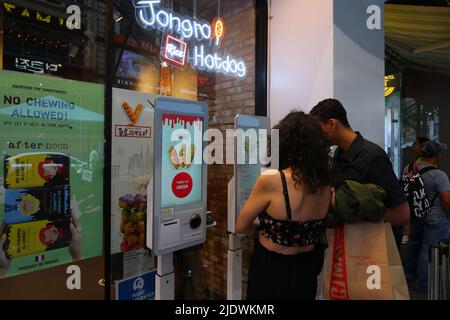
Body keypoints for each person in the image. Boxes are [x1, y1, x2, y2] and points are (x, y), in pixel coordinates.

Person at [235, 111, 331, 300]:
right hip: (307, 270)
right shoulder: (326, 187)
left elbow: (241, 226)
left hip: (272, 269)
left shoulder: (272, 180)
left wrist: (264, 230)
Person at [309, 99, 410, 233]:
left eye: (319, 130)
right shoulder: (338, 155)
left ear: (332, 124)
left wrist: (356, 211)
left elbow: (402, 215)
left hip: (372, 247)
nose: (317, 137)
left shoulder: (373, 157)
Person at [402, 140, 450, 294]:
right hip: (435, 217)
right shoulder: (439, 175)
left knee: (414, 244)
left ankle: (407, 275)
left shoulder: (408, 169)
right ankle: (424, 284)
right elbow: (447, 200)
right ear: (436, 155)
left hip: (415, 214)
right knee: (429, 250)